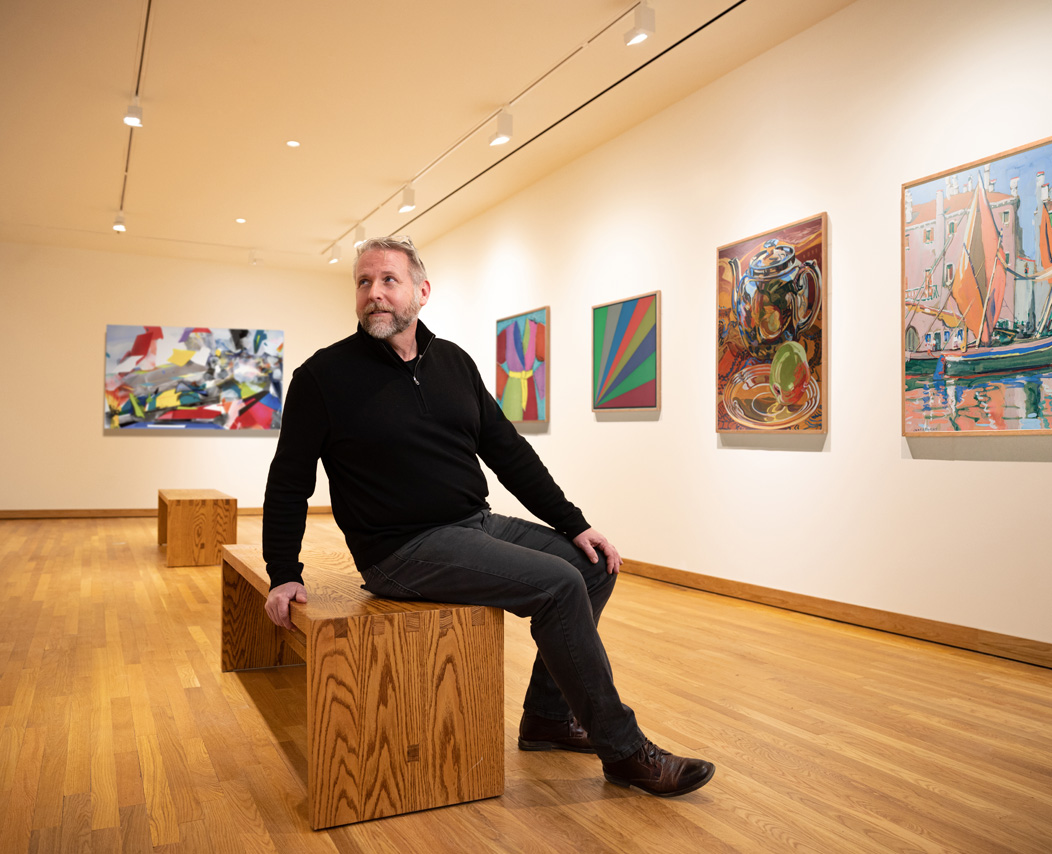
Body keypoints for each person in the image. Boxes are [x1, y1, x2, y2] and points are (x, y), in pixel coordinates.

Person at [262, 235, 715, 798]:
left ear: (421, 292)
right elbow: (288, 480)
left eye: (387, 280)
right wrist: (284, 570)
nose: (373, 294)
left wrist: (574, 524)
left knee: (591, 565)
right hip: (400, 551)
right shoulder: (322, 378)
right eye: (362, 282)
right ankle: (623, 750)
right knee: (556, 585)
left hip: (473, 524)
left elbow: (509, 453)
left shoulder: (452, 361)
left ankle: (548, 719)